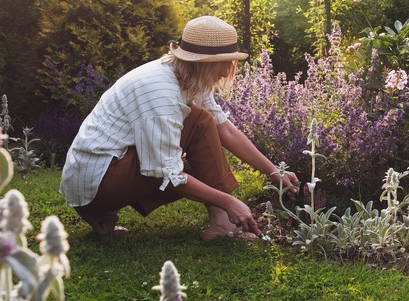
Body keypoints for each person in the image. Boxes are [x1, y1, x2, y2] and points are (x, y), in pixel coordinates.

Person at [59, 16, 298, 239]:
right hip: (98, 183)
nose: (226, 71)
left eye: (228, 62)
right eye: (221, 63)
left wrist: (273, 171)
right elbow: (168, 173)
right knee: (195, 132)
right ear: (200, 62)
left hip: (104, 173)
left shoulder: (189, 75)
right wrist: (228, 202)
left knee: (201, 122)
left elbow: (225, 130)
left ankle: (218, 220)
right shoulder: (160, 91)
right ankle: (221, 218)